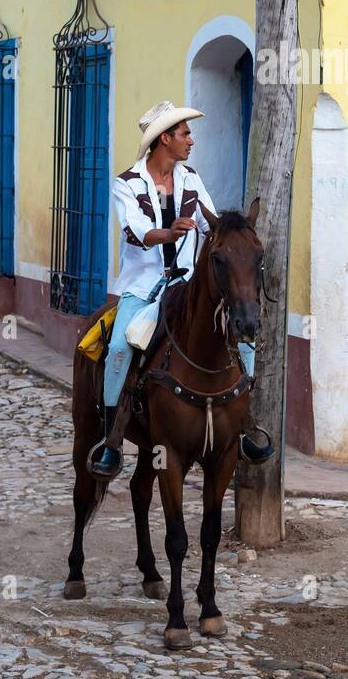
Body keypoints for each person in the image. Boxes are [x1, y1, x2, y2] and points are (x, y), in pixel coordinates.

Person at [92, 99, 273, 477]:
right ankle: (111, 439)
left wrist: (230, 237)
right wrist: (169, 232)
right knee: (121, 347)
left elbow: (209, 225)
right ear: (164, 140)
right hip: (143, 288)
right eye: (184, 133)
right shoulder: (126, 183)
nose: (191, 140)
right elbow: (136, 231)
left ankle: (243, 425)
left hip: (189, 284)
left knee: (244, 337)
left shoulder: (191, 178)